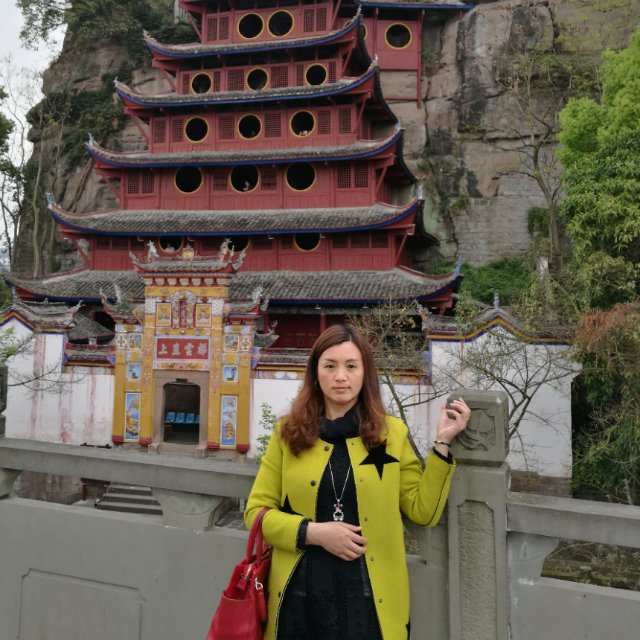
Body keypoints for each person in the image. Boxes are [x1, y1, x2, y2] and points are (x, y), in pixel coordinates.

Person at [244, 324, 470, 640]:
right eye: (330, 366)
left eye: (351, 366)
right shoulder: (288, 433)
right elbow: (255, 513)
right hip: (299, 598)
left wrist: (443, 443)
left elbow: (423, 511)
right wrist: (313, 533)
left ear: (365, 374)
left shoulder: (392, 434)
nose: (341, 376)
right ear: (315, 373)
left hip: (367, 600)